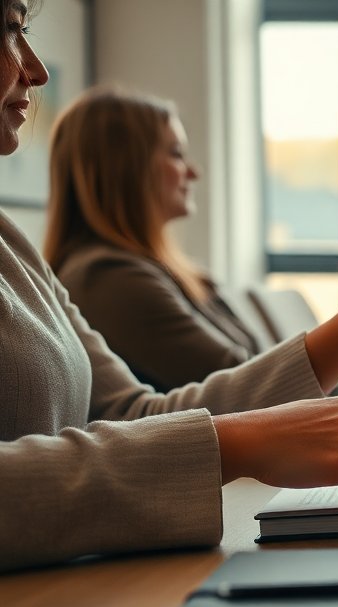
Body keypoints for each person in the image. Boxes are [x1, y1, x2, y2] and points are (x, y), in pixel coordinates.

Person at [0, 1, 338, 573]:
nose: (36, 69)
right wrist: (237, 441)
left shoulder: (14, 245)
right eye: (12, 29)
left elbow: (135, 412)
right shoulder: (109, 276)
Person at [43, 88, 263, 391]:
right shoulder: (110, 279)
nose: (193, 173)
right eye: (176, 154)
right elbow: (253, 385)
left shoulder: (158, 270)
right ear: (125, 167)